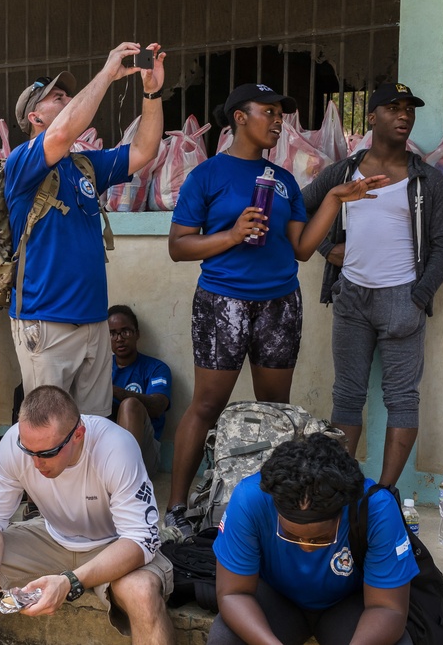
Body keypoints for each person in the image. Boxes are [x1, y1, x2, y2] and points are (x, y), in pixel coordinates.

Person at [165, 83, 389, 536]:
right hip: (222, 301)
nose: (277, 122)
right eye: (267, 112)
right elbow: (178, 246)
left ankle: (271, 507)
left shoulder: (283, 180)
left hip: (279, 304)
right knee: (207, 405)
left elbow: (304, 250)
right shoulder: (206, 175)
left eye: (280, 115)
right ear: (239, 118)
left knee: (274, 409)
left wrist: (333, 199)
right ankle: (176, 509)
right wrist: (230, 235)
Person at [302, 83, 443, 487]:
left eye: (409, 109)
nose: (404, 115)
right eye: (393, 108)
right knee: (347, 395)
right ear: (371, 117)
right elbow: (297, 211)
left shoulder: (426, 181)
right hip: (351, 297)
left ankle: (385, 493)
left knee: (403, 398)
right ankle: (341, 488)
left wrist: (418, 297)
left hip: (402, 298)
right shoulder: (342, 172)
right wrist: (325, 248)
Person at [0, 385, 174, 645]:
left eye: (48, 453)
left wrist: (71, 581)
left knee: (141, 592)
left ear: (78, 435)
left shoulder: (116, 447)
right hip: (52, 536)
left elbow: (141, 538)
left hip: (114, 544)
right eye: (28, 451)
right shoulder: (16, 443)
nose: (37, 464)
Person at [5, 43, 165, 417]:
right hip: (45, 321)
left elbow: (144, 150)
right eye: (56, 97)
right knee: (50, 428)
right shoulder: (23, 162)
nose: (68, 100)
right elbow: (60, 136)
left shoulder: (84, 166)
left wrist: (152, 91)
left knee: (93, 426)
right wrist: (107, 74)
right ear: (34, 117)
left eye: (67, 95)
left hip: (93, 321)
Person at [209, 433, 418, 645]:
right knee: (224, 639)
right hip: (277, 598)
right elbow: (233, 594)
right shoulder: (250, 499)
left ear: (341, 513)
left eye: (320, 539)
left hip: (350, 602)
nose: (305, 547)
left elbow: (388, 608)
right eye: (290, 535)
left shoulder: (376, 508)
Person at [108, 304, 171, 476]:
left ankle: (126, 479)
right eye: (112, 333)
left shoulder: (156, 368)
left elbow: (158, 406)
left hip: (144, 456)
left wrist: (112, 390)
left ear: (137, 334)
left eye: (125, 331)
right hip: (106, 452)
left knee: (130, 406)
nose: (119, 338)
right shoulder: (100, 369)